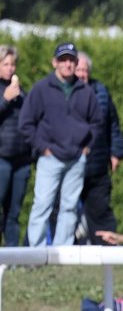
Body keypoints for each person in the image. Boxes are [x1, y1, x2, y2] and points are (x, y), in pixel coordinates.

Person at [18, 41, 101, 247]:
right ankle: (34, 254)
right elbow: (26, 123)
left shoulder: (86, 91)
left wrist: (86, 148)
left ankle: (62, 252)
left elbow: (97, 123)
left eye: (71, 61)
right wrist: (42, 148)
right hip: (50, 157)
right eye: (63, 60)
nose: (67, 65)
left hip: (76, 159)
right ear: (55, 62)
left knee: (69, 207)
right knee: (42, 205)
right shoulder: (41, 89)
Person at [73, 52, 123, 244]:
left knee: (100, 210)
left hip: (98, 163)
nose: (82, 74)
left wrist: (116, 152)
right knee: (64, 210)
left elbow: (113, 124)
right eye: (78, 69)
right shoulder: (62, 92)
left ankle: (106, 247)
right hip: (70, 163)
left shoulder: (101, 91)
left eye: (85, 70)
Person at [0, 45, 32, 246]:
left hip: (21, 160)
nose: (10, 68)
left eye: (13, 64)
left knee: (13, 213)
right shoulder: (7, 93)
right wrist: (4, 100)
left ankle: (12, 256)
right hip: (2, 158)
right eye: (5, 64)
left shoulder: (21, 92)